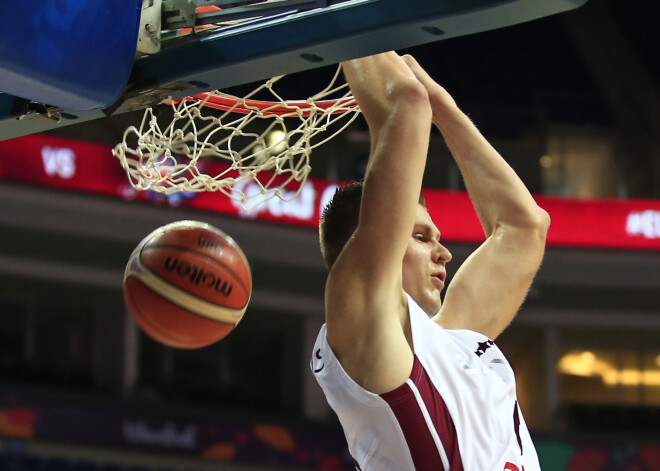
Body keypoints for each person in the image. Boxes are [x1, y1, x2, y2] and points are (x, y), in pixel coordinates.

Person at [310, 52, 550, 471]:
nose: (444, 252)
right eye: (421, 237)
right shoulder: (364, 328)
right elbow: (405, 106)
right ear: (359, 248)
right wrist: (347, 25)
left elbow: (523, 227)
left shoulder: (453, 341)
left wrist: (444, 108)